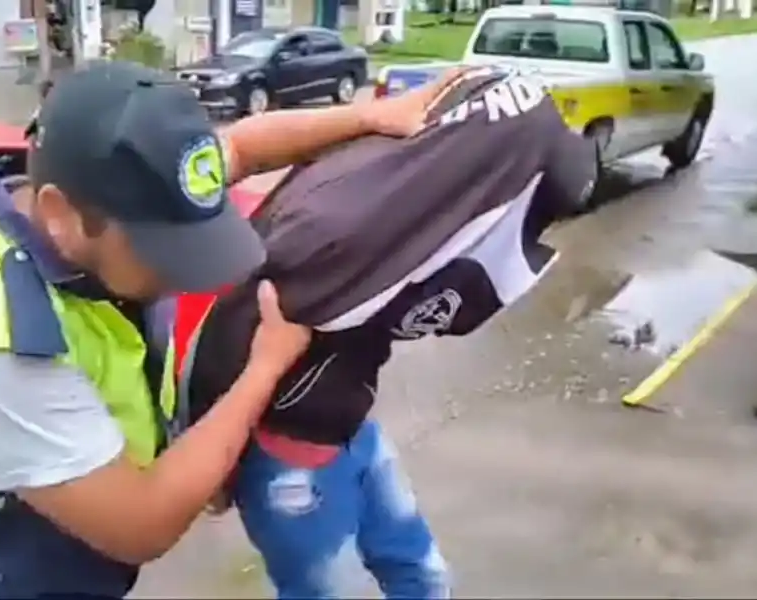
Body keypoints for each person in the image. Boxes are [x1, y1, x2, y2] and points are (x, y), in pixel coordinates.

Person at [0, 60, 461, 598]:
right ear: (60, 216)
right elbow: (142, 525)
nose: (185, 273)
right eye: (163, 251)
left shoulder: (127, 192)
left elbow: (243, 148)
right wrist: (265, 367)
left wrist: (377, 115)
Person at [178, 65, 600, 598]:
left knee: (424, 577)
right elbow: (229, 336)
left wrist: (369, 115)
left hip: (352, 426)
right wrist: (210, 463)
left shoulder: (410, 201)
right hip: (290, 462)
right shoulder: (334, 235)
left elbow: (236, 148)